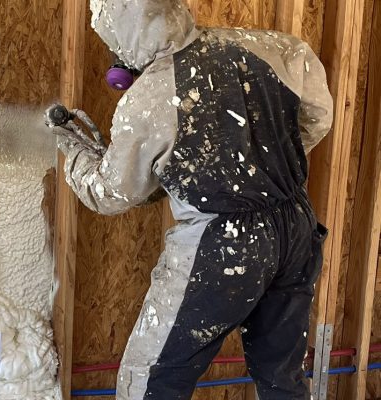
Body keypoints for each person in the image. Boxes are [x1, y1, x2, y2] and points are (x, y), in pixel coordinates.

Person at [51, 0, 333, 398]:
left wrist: (74, 150)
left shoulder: (150, 97)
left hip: (222, 244)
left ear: (120, 25)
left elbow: (112, 193)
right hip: (295, 226)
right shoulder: (271, 46)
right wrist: (260, 171)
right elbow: (317, 116)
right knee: (281, 376)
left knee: (151, 379)